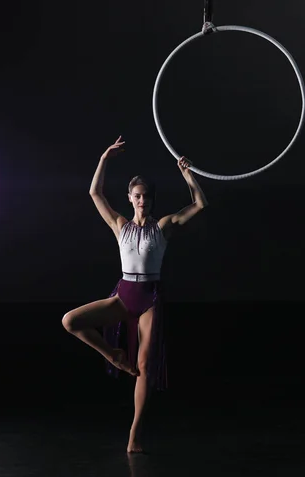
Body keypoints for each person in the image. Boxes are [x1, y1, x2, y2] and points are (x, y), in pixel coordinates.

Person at [61, 136, 208, 453]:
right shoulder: (119, 224)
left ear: (151, 200)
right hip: (124, 294)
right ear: (130, 198)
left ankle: (134, 435)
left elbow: (199, 205)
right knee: (70, 321)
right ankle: (112, 354)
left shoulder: (163, 227)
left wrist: (187, 174)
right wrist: (104, 158)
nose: (142, 200)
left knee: (144, 365)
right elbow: (94, 193)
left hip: (149, 299)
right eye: (137, 196)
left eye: (146, 197)